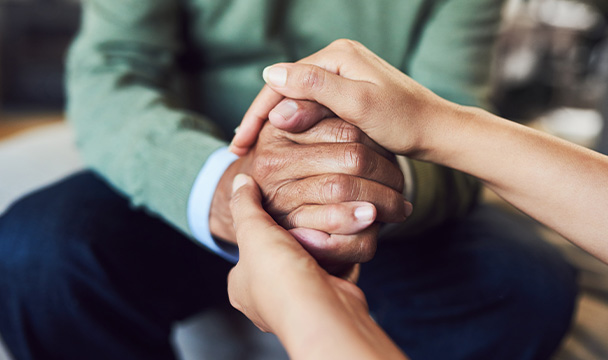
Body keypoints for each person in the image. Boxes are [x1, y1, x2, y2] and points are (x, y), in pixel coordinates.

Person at [0, 1, 577, 359]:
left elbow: (452, 112)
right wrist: (225, 187)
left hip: (380, 193)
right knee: (36, 254)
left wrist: (361, 189)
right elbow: (113, 72)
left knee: (524, 286)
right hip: (191, 172)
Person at [227, 39, 608, 358]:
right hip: (204, 182)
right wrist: (434, 123)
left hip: (409, 207)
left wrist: (295, 297)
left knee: (523, 281)